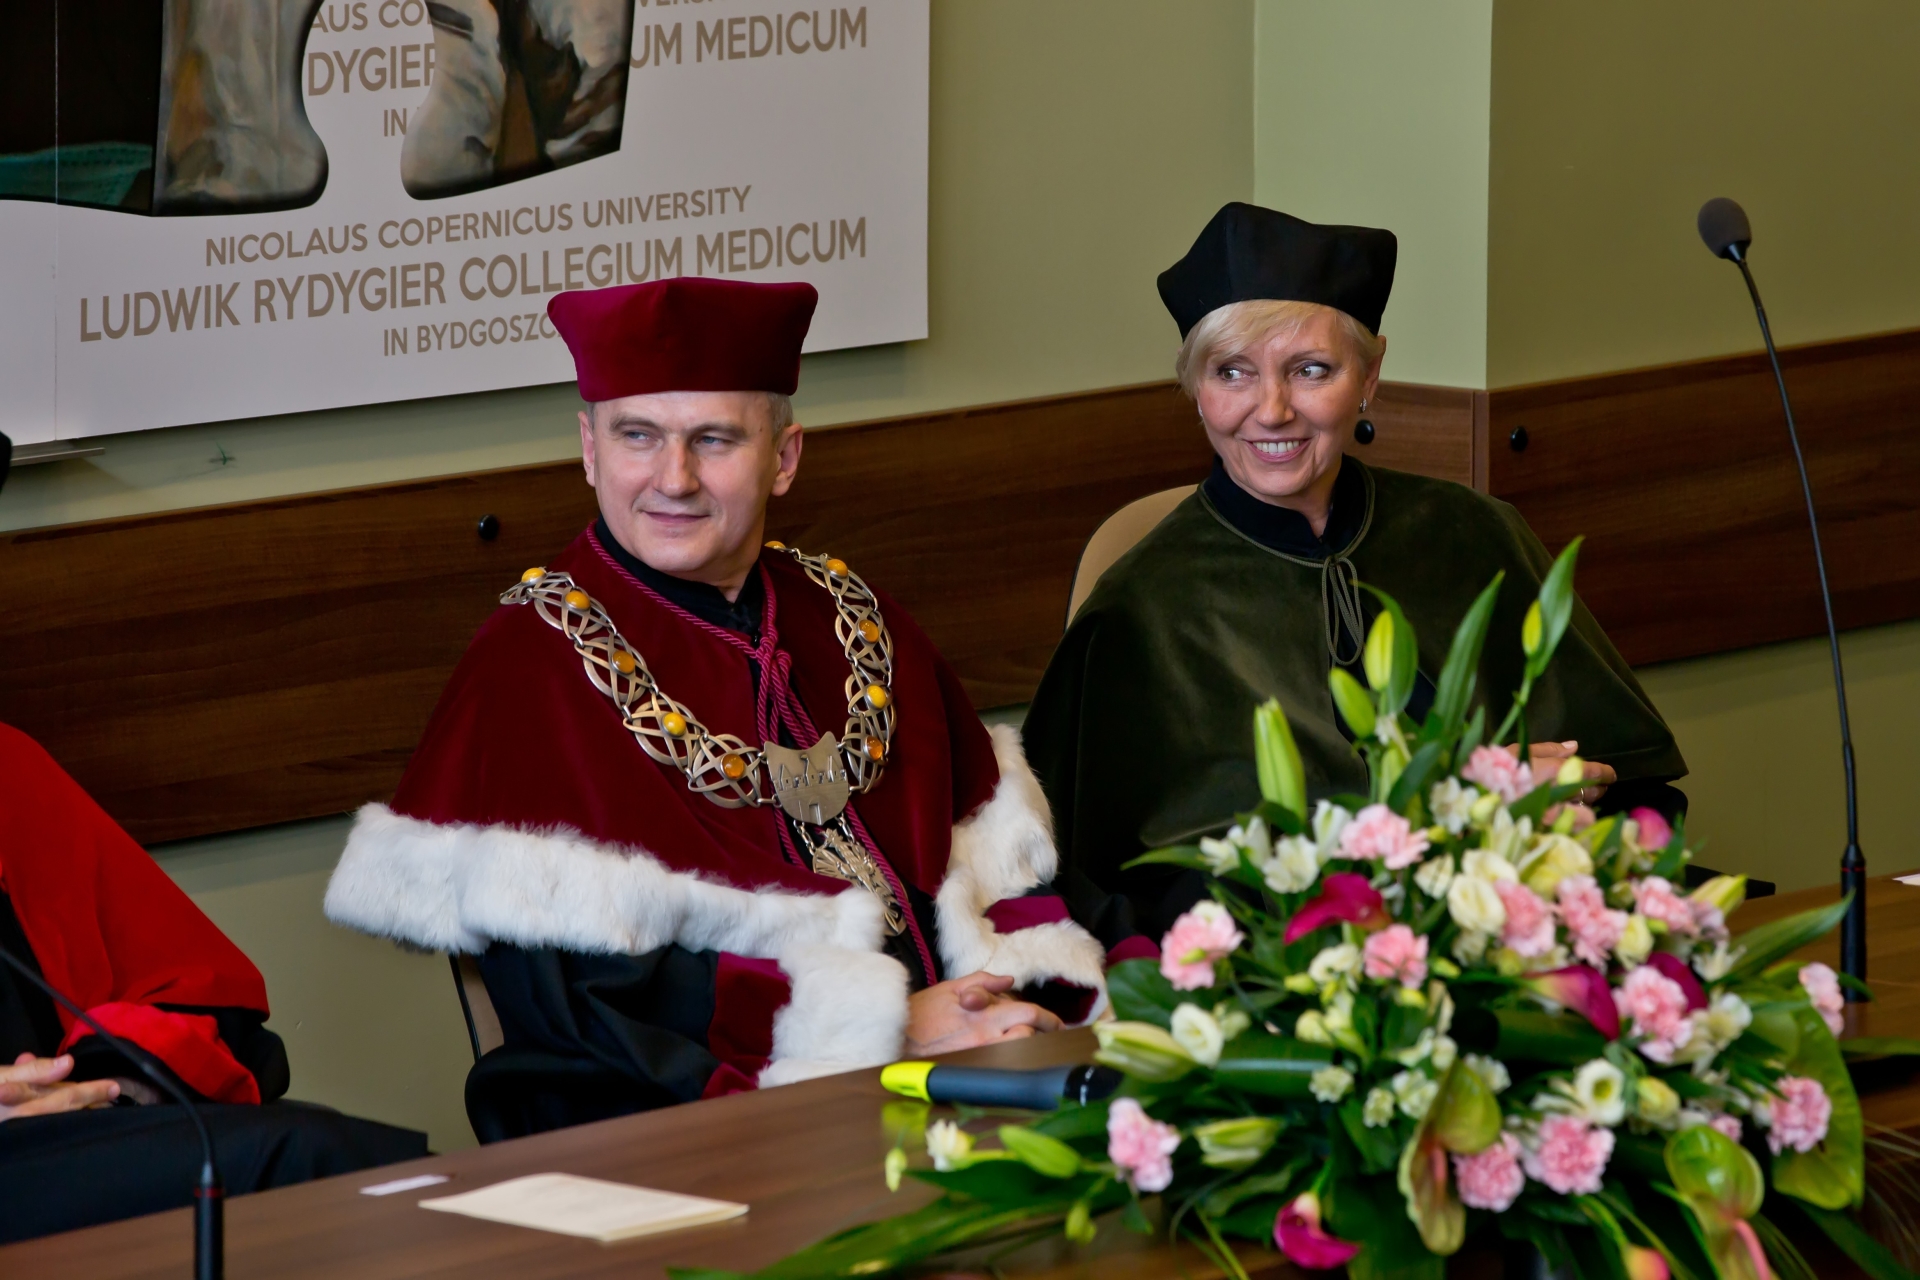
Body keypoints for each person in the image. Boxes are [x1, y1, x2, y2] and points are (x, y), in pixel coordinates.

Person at [325, 276, 1149, 1141]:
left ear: (784, 458)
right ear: (590, 449)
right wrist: (888, 1029)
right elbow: (586, 1005)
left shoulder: (850, 615)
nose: (673, 478)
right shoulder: (529, 662)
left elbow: (1001, 864)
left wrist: (1024, 994)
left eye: (713, 439)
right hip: (685, 1112)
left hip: (956, 1056)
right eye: (637, 436)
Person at [1020, 203, 1688, 941]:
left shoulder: (1474, 533)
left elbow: (1637, 792)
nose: (1272, 411)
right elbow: (1134, 904)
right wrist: (1457, 817)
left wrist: (1566, 812)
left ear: (1370, 375)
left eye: (1311, 370)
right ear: (1196, 389)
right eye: (1232, 372)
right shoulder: (1138, 612)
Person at [0, 723, 427, 1244]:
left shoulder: (7, 764)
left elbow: (181, 981)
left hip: (69, 1129)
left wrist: (108, 1086)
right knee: (306, 1159)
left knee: (346, 1163)